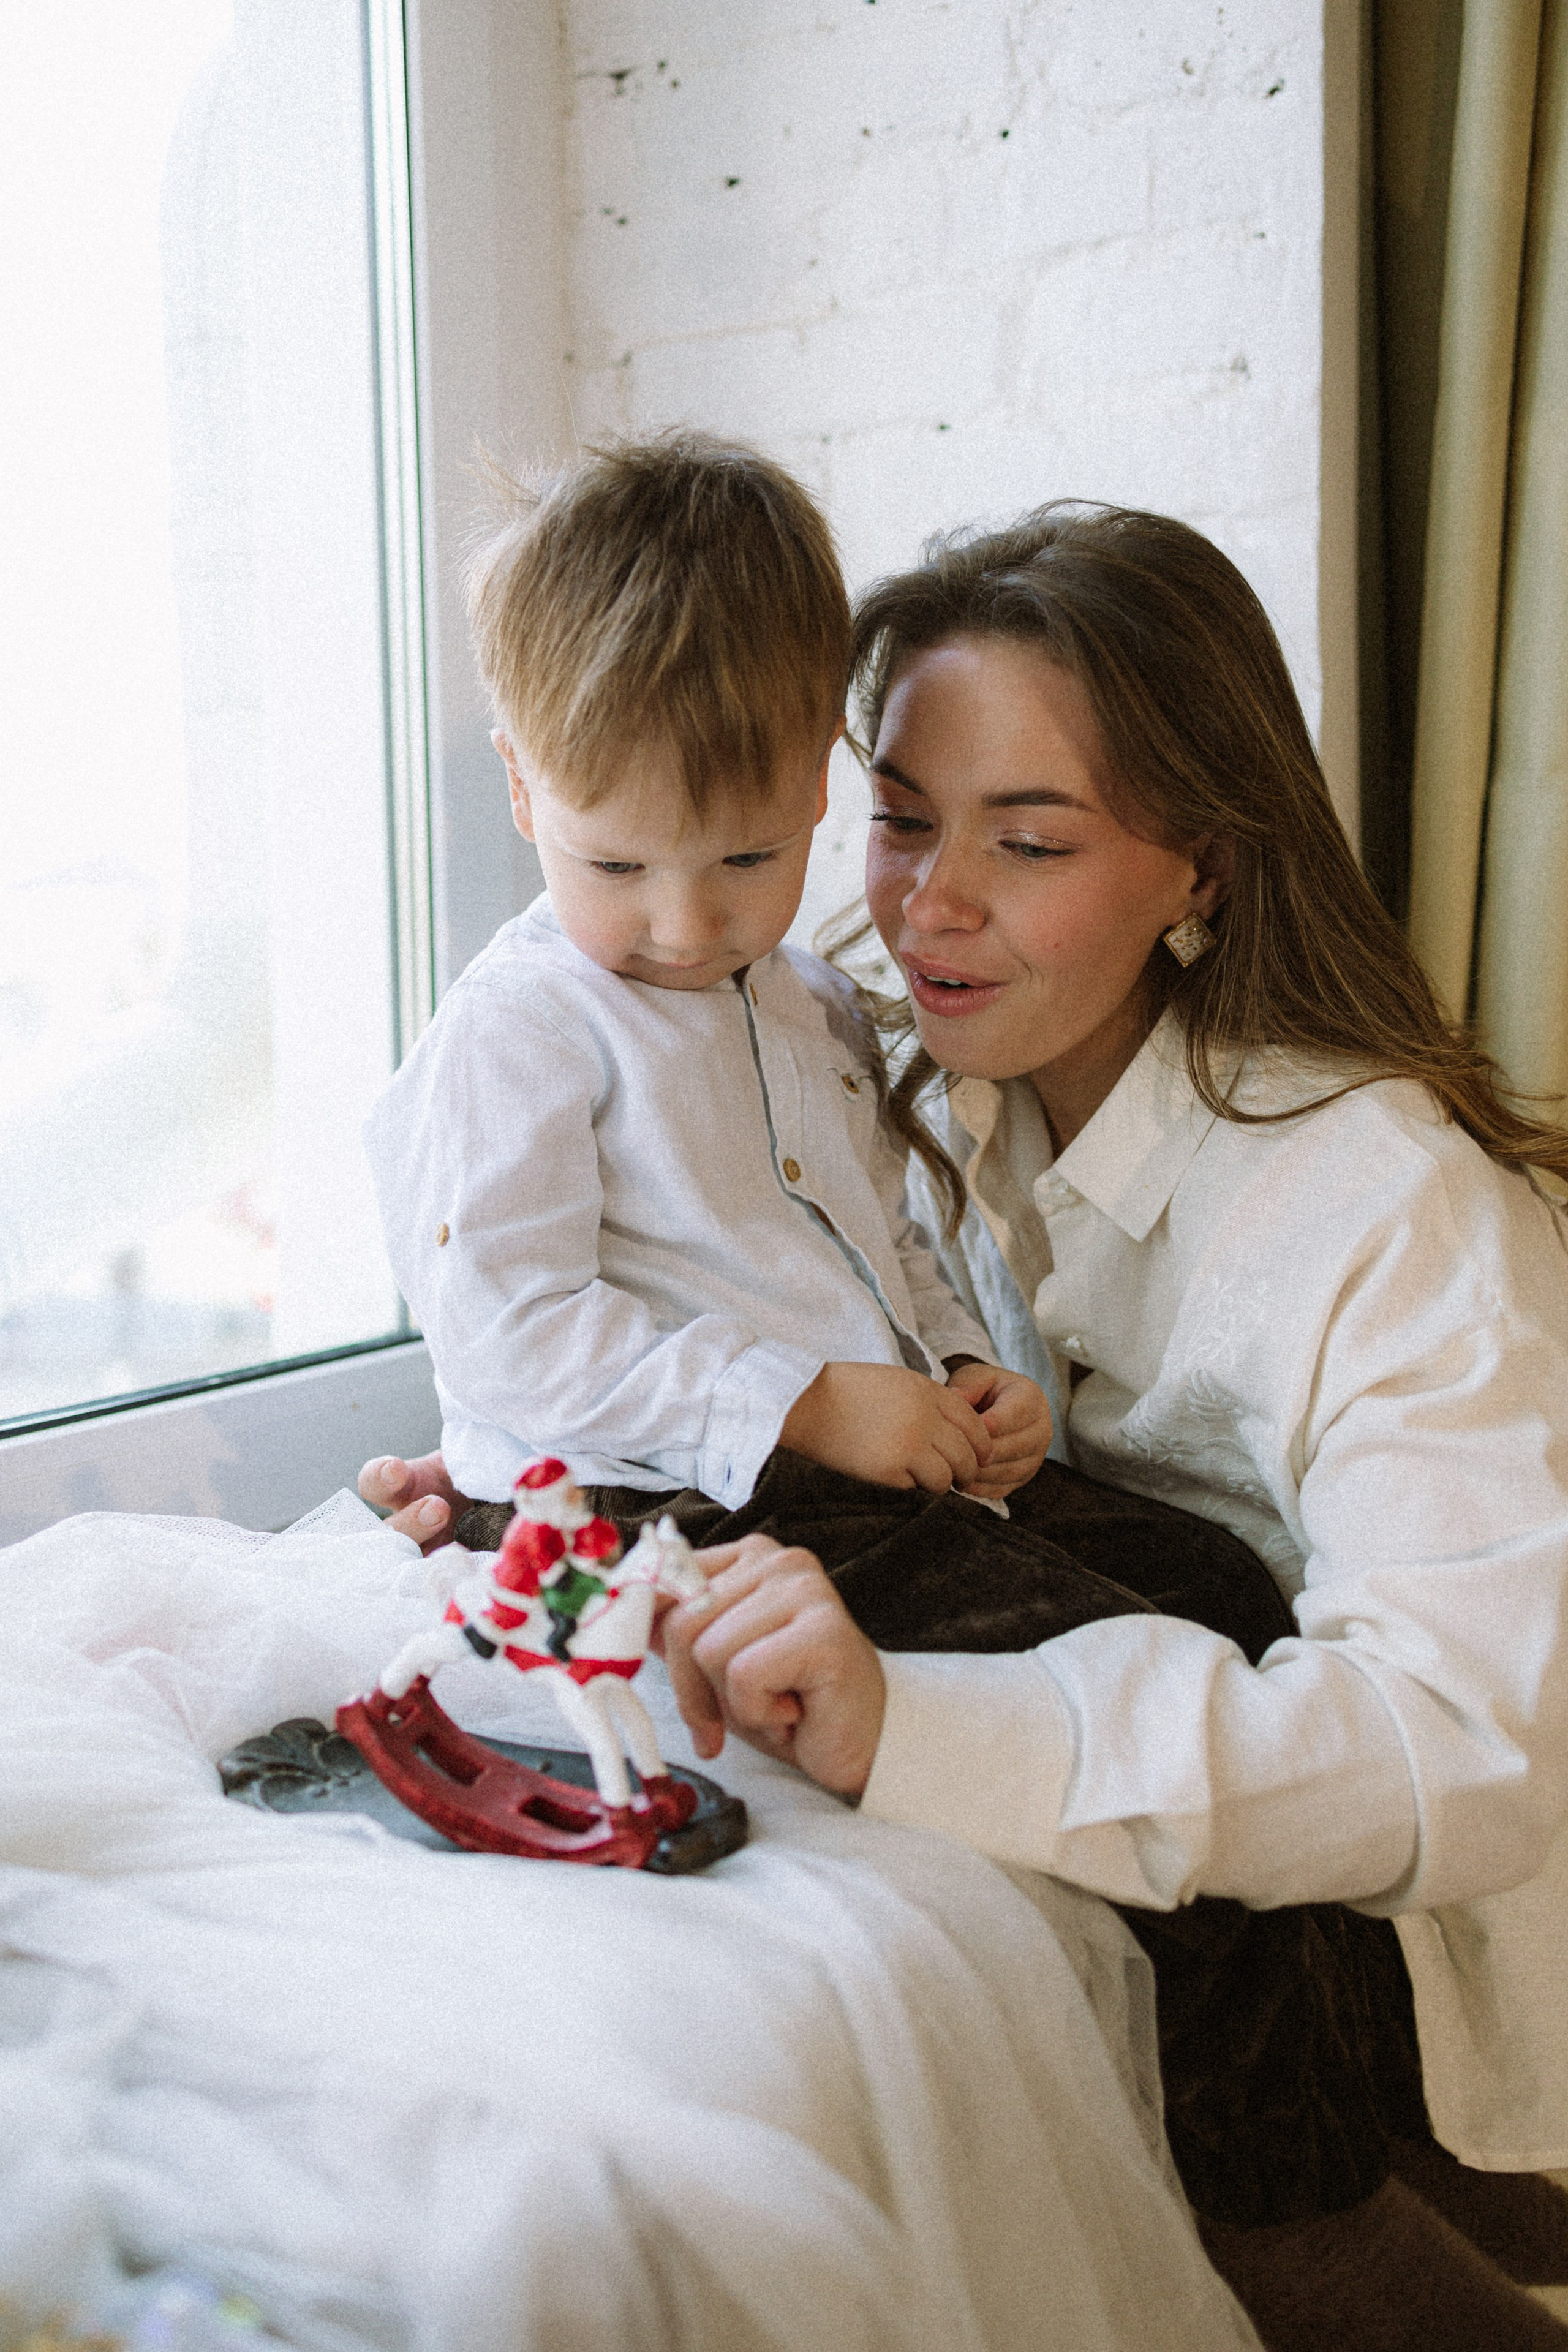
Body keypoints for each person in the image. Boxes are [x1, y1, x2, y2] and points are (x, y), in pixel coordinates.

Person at [363, 435, 1292, 1667]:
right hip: (643, 1506)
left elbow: (881, 1245)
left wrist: (959, 1368)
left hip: (848, 1470)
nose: (686, 926)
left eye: (746, 859)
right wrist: (800, 1401)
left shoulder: (815, 1005)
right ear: (524, 791)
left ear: (816, 785)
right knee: (1110, 1651)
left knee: (1220, 1585)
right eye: (617, 865)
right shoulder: (520, 1030)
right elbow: (507, 1333)